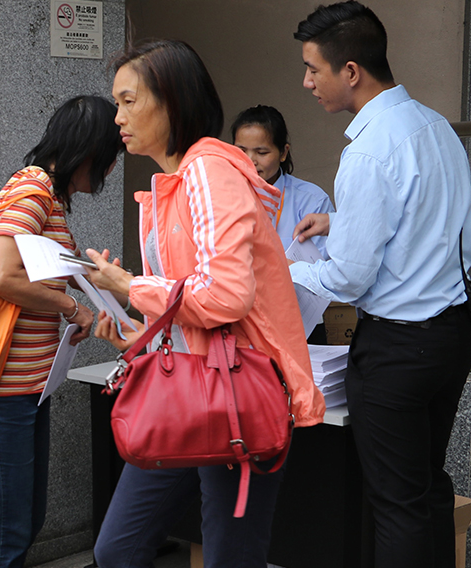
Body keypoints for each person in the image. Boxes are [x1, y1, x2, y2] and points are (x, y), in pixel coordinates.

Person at [84, 39, 324, 568]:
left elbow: (225, 295)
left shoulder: (208, 174)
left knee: (229, 557)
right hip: (184, 386)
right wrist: (141, 333)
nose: (117, 116)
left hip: (235, 392)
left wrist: (129, 286)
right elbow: (192, 298)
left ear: (171, 101)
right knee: (117, 548)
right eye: (117, 102)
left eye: (128, 101)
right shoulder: (179, 179)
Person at [289, 1, 471, 568]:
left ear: (350, 71)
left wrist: (282, 268)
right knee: (426, 489)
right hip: (451, 335)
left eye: (313, 69)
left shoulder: (367, 151)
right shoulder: (436, 126)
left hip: (397, 349)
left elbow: (348, 278)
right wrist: (339, 222)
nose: (307, 82)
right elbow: (425, 223)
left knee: (396, 504)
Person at [0, 95, 117, 568]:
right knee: (6, 530)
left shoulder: (49, 197)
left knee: (22, 519)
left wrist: (101, 280)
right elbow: (1, 276)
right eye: (109, 157)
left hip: (25, 387)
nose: (108, 170)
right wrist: (72, 308)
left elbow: (42, 267)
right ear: (88, 151)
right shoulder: (33, 191)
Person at [230, 104, 333, 257]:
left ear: (283, 153)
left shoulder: (312, 201)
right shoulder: (223, 197)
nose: (250, 161)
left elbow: (324, 263)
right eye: (241, 151)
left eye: (261, 152)